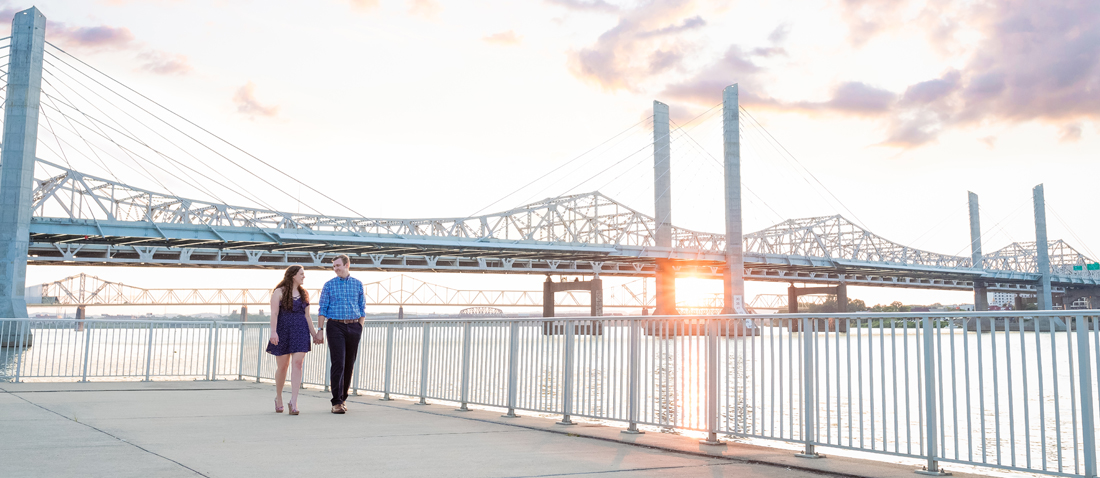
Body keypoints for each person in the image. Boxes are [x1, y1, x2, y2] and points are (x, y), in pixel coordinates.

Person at [266, 265, 320, 415]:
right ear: (293, 275)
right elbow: (274, 314)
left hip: (300, 331)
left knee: (298, 364)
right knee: (282, 367)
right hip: (282, 331)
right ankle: (279, 397)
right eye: (301, 274)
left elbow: (307, 316)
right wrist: (273, 332)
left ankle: (294, 401)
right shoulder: (279, 292)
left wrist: (314, 334)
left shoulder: (304, 293)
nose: (304, 277)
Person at [317, 254, 365, 414]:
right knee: (338, 363)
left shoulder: (358, 284)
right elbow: (322, 308)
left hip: (353, 326)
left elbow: (362, 307)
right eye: (334, 266)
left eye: (338, 265)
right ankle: (336, 402)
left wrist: (360, 326)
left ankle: (343, 398)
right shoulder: (329, 285)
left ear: (347, 265)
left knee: (349, 364)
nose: (336, 269)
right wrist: (320, 330)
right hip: (335, 326)